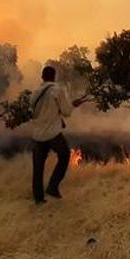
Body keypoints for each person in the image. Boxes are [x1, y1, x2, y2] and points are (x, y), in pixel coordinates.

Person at [30, 66, 85, 204]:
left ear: (42, 76)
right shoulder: (57, 90)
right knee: (65, 155)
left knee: (38, 167)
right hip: (52, 133)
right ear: (54, 76)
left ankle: (38, 198)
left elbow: (32, 112)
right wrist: (74, 104)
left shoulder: (34, 92)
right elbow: (66, 111)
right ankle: (53, 186)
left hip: (37, 134)